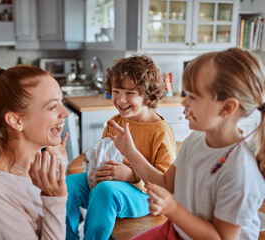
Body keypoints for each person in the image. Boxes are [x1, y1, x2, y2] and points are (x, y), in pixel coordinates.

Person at [109, 48, 265, 239]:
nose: (184, 102)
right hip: (178, 231)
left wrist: (171, 208)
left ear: (227, 107)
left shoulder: (240, 172)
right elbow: (166, 184)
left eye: (193, 96)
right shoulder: (196, 139)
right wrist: (130, 152)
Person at [66, 55, 176, 240]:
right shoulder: (116, 122)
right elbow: (104, 154)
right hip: (112, 185)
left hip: (144, 196)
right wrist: (98, 171)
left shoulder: (160, 131)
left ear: (148, 96)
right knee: (68, 186)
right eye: (116, 91)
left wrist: (131, 175)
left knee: (105, 191)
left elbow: (165, 185)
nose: (120, 99)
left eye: (130, 93)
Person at [0, 65, 70, 239]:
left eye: (61, 102)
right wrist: (55, 199)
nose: (64, 113)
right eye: (52, 107)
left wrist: (59, 167)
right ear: (16, 120)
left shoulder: (29, 163)